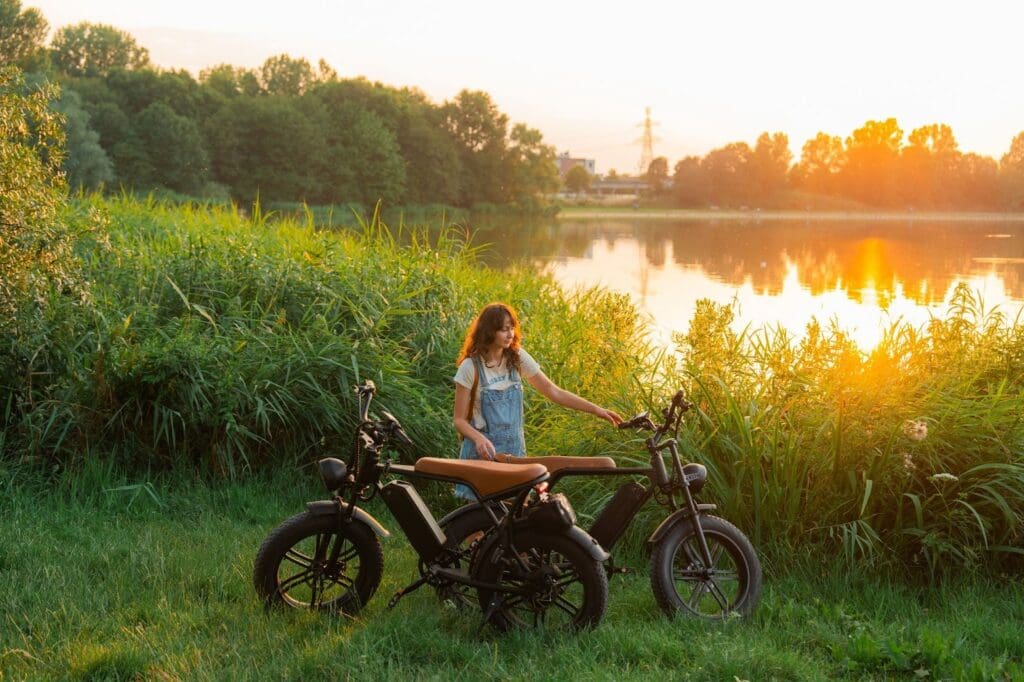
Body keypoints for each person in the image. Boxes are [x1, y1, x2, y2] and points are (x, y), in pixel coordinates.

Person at [452, 302, 622, 499]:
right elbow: (459, 420)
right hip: (482, 454)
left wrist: (596, 410)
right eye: (504, 329)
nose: (511, 334)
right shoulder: (469, 367)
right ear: (489, 331)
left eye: (512, 328)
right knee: (480, 522)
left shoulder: (516, 357)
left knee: (515, 519)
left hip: (514, 454)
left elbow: (553, 391)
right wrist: (479, 438)